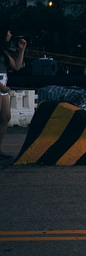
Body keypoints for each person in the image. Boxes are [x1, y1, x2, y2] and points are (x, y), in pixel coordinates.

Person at [0, 22, 27, 159]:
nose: (10, 35)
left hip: (3, 84)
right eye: (8, 32)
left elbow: (16, 66)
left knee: (5, 117)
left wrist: (21, 50)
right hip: (0, 84)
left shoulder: (4, 51)